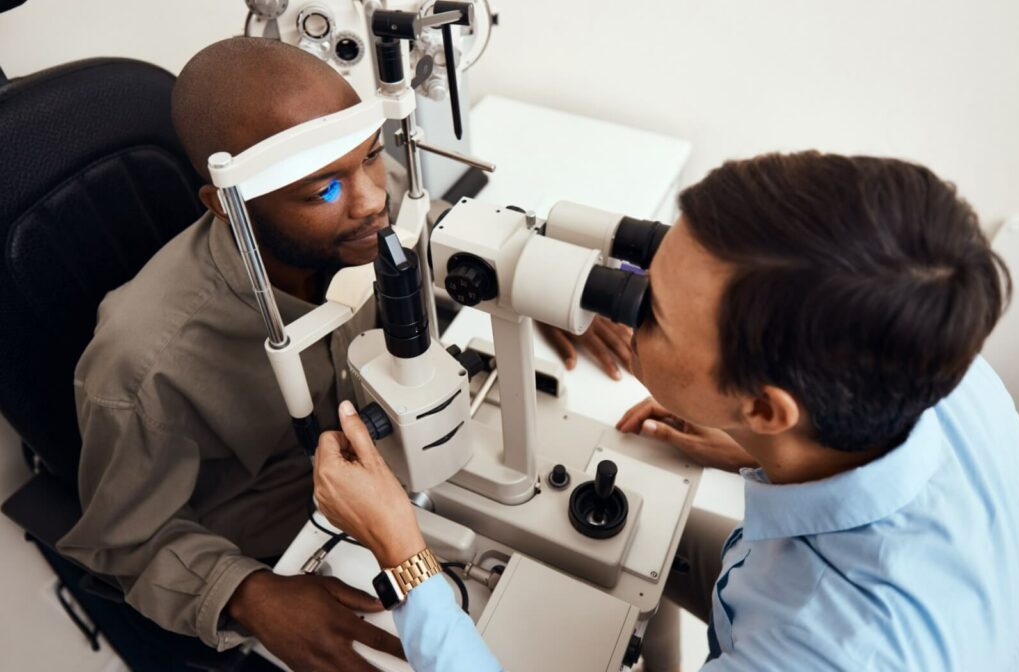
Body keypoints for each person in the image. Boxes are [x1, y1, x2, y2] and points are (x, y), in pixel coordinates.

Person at [313, 152, 1019, 671]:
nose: (625, 300)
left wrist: (403, 557)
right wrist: (755, 446)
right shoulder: (935, 350)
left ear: (769, 405)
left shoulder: (819, 652)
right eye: (652, 251)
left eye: (647, 313)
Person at [56, 35, 628, 671]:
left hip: (402, 474)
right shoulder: (142, 365)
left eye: (372, 157)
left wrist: (519, 278)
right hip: (287, 541)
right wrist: (249, 595)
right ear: (229, 206)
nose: (372, 201)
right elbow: (124, 541)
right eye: (322, 190)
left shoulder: (362, 217)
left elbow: (429, 227)